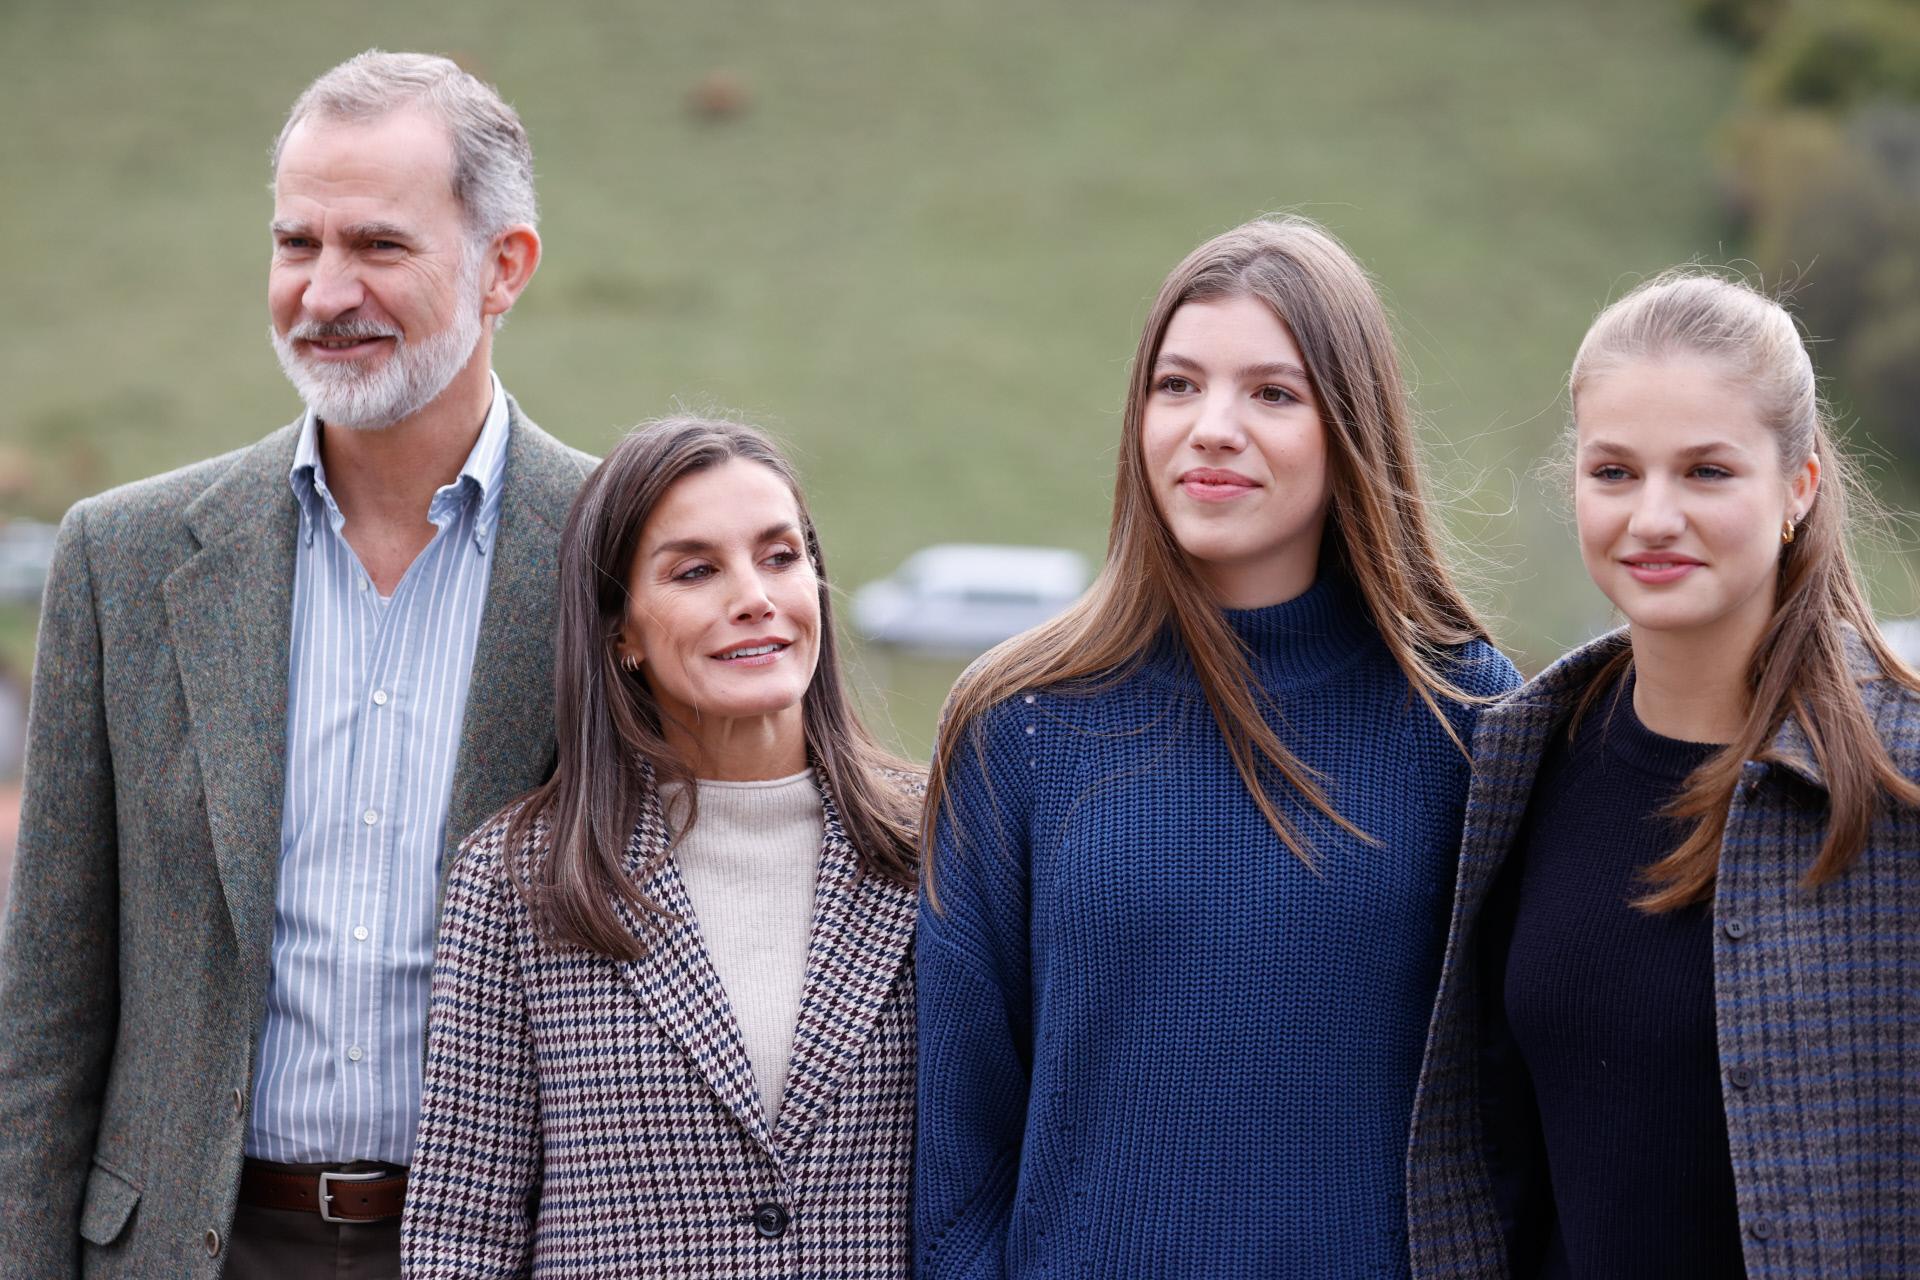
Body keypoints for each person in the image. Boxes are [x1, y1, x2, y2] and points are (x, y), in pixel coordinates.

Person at [0, 51, 592, 1279]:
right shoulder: (125, 559)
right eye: (295, 243)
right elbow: (45, 1013)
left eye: (379, 245)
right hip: (185, 1249)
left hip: (515, 1245)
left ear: (505, 267)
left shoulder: (617, 551)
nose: (325, 292)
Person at [913, 215, 1522, 1279]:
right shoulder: (1019, 722)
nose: (1211, 428)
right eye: (1178, 384)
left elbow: (1516, 1121)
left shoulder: (1468, 717)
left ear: (1352, 425)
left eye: (1272, 393)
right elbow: (957, 1151)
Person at [1403, 271, 1920, 1279]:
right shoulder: (1515, 762)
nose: (1653, 516)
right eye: (1614, 471)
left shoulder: (1901, 781)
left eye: (1706, 471)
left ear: (1800, 485)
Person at [401, 416, 924, 1278]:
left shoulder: (942, 840)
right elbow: (463, 1234)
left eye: (780, 556)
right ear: (622, 633)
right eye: (697, 570)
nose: (754, 595)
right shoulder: (518, 877)